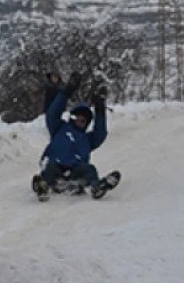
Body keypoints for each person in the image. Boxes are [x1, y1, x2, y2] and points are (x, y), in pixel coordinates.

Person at [31, 73, 120, 201]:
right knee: (49, 168)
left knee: (90, 169)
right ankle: (43, 187)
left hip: (76, 171)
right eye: (78, 117)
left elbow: (100, 133)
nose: (80, 120)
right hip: (56, 165)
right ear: (73, 117)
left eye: (84, 120)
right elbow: (52, 114)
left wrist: (100, 109)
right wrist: (67, 91)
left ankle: (97, 187)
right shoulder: (59, 127)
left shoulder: (87, 139)